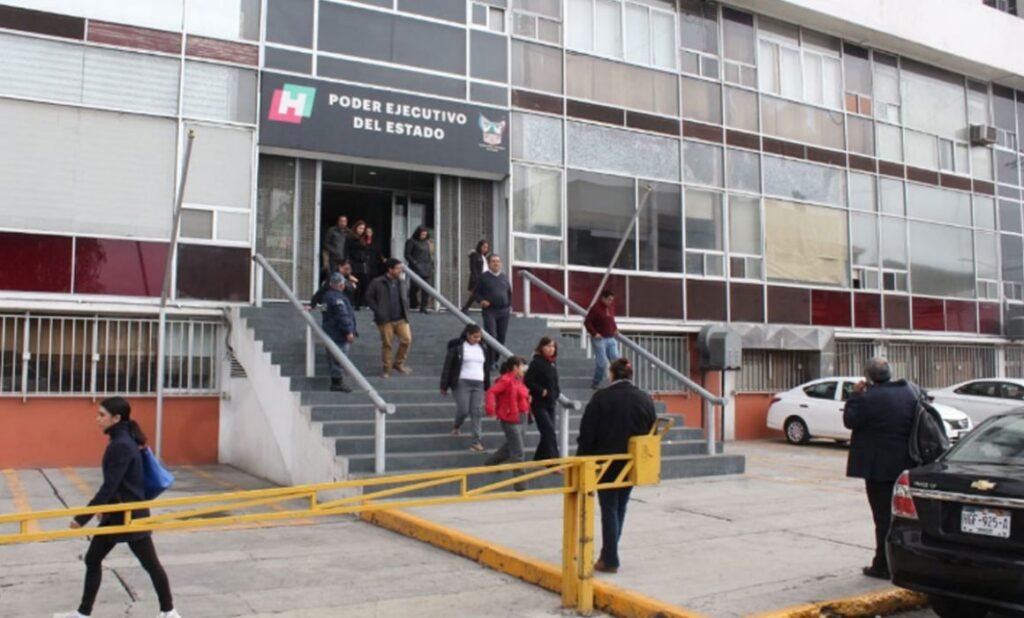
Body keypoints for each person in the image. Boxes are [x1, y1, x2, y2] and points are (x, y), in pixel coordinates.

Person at [55, 397, 181, 618]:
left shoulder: (121, 445)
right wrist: (105, 509)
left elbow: (110, 485)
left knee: (150, 564)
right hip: (117, 513)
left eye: (102, 415)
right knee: (93, 558)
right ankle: (83, 613)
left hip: (130, 516)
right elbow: (119, 484)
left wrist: (82, 518)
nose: (97, 419)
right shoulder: (123, 439)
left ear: (116, 418)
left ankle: (169, 611)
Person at [577, 358, 656, 574]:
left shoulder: (601, 397)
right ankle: (608, 553)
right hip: (632, 460)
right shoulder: (644, 398)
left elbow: (587, 432)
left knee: (609, 508)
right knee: (620, 506)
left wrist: (583, 459)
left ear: (611, 374)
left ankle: (610, 558)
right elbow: (652, 431)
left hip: (606, 461)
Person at [843, 357, 917, 580]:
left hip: (879, 469)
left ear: (868, 377)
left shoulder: (868, 398)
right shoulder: (910, 392)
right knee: (906, 516)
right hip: (908, 465)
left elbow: (850, 421)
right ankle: (909, 560)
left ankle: (883, 565)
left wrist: (855, 395)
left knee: (883, 518)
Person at [440, 323, 491, 452]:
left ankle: (476, 441)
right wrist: (444, 385)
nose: (477, 339)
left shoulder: (483, 347)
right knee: (463, 409)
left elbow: (486, 368)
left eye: (479, 337)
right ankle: (457, 425)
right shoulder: (458, 346)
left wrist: (487, 384)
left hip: (479, 383)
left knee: (476, 411)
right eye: (475, 337)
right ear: (468, 335)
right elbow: (448, 366)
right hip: (462, 382)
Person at [484, 356, 531, 491]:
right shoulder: (506, 380)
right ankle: (521, 485)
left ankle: (491, 462)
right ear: (515, 367)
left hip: (522, 417)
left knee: (512, 445)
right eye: (521, 366)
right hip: (510, 419)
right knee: (518, 451)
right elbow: (491, 392)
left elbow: (522, 395)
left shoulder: (519, 380)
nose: (524, 369)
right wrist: (491, 409)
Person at [365, 258, 413, 378]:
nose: (400, 271)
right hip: (385, 320)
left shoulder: (402, 282)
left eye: (400, 268)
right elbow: (369, 297)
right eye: (397, 268)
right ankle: (387, 369)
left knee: (407, 339)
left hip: (401, 318)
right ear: (390, 269)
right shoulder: (378, 282)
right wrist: (378, 310)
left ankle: (399, 363)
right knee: (387, 344)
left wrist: (406, 309)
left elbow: (406, 297)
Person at [525, 336, 560, 461]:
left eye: (553, 346)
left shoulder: (552, 363)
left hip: (551, 402)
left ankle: (539, 458)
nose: (551, 349)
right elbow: (528, 381)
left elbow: (555, 382)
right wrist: (541, 391)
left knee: (548, 432)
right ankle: (554, 461)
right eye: (548, 346)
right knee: (549, 431)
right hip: (539, 404)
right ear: (542, 347)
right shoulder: (536, 362)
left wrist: (556, 393)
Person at [474, 254, 513, 368]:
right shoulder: (483, 277)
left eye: (498, 261)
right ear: (489, 263)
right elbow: (476, 293)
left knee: (501, 336)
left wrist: (509, 305)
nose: (496, 263)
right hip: (490, 311)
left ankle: (495, 359)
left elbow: (509, 293)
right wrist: (481, 301)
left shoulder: (504, 277)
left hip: (504, 311)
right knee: (492, 335)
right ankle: (490, 361)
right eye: (493, 261)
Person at [321, 273, 357, 393]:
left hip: (331, 331)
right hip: (338, 334)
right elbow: (342, 315)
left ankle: (336, 381)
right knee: (339, 359)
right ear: (341, 285)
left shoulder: (327, 296)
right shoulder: (337, 298)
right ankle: (337, 382)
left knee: (335, 359)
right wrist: (348, 331)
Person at [584, 290, 619, 390]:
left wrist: (615, 329)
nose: (610, 302)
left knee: (616, 361)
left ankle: (616, 382)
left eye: (612, 300)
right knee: (602, 363)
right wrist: (594, 333)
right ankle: (596, 383)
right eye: (609, 300)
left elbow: (611, 320)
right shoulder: (595, 308)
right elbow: (587, 322)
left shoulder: (610, 307)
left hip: (611, 338)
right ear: (603, 298)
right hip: (600, 339)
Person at [404, 226, 435, 313]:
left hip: (427, 267)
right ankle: (413, 304)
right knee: (415, 286)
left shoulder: (427, 242)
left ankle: (423, 307)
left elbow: (429, 255)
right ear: (418, 233)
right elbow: (407, 255)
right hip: (416, 268)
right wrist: (414, 262)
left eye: (425, 234)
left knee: (427, 288)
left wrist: (432, 266)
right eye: (422, 234)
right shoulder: (411, 241)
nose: (423, 236)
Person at [345, 220, 371, 309]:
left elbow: (367, 248)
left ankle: (361, 302)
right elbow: (346, 250)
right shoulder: (350, 237)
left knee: (365, 283)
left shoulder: (363, 238)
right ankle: (356, 303)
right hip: (354, 262)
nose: (361, 230)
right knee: (355, 283)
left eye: (363, 229)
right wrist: (347, 262)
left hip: (362, 263)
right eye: (360, 228)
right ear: (356, 228)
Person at [461, 240, 490, 312]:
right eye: (484, 247)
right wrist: (475, 279)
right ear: (480, 247)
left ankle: (466, 308)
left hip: (485, 278)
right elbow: (473, 269)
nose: (485, 249)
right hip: (478, 278)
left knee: (477, 294)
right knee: (475, 294)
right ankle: (465, 308)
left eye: (487, 247)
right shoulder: (475, 255)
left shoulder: (484, 257)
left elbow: (486, 267)